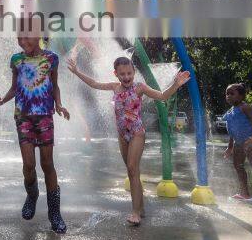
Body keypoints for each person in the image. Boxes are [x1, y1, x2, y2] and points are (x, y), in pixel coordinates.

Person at [67, 56, 190, 225]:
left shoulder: (139, 87)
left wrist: (176, 84)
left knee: (132, 168)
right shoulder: (114, 87)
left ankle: (135, 213)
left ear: (134, 72)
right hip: (122, 135)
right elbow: (94, 83)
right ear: (116, 74)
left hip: (137, 133)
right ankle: (141, 207)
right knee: (132, 172)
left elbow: (162, 96)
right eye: (122, 74)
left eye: (129, 73)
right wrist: (76, 71)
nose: (126, 77)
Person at [0, 36, 70, 234]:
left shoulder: (52, 58)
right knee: (29, 164)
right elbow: (15, 88)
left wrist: (59, 105)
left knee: (47, 164)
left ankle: (54, 213)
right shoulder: (16, 59)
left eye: (27, 37)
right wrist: (2, 100)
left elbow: (55, 85)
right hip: (23, 117)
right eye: (20, 37)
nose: (23, 41)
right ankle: (32, 195)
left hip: (44, 116)